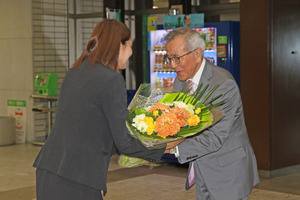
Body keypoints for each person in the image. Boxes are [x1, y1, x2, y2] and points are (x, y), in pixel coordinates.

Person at [33, 19, 180, 200]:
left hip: (49, 169)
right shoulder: (111, 79)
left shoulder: (76, 71)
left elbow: (90, 128)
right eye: (130, 46)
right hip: (78, 178)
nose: (131, 53)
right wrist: (162, 147)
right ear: (119, 45)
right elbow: (123, 142)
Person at [163, 27, 260, 200]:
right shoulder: (180, 83)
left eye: (177, 58)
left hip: (227, 172)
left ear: (197, 54)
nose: (172, 65)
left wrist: (173, 149)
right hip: (201, 168)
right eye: (169, 58)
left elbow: (214, 137)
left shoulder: (223, 85)